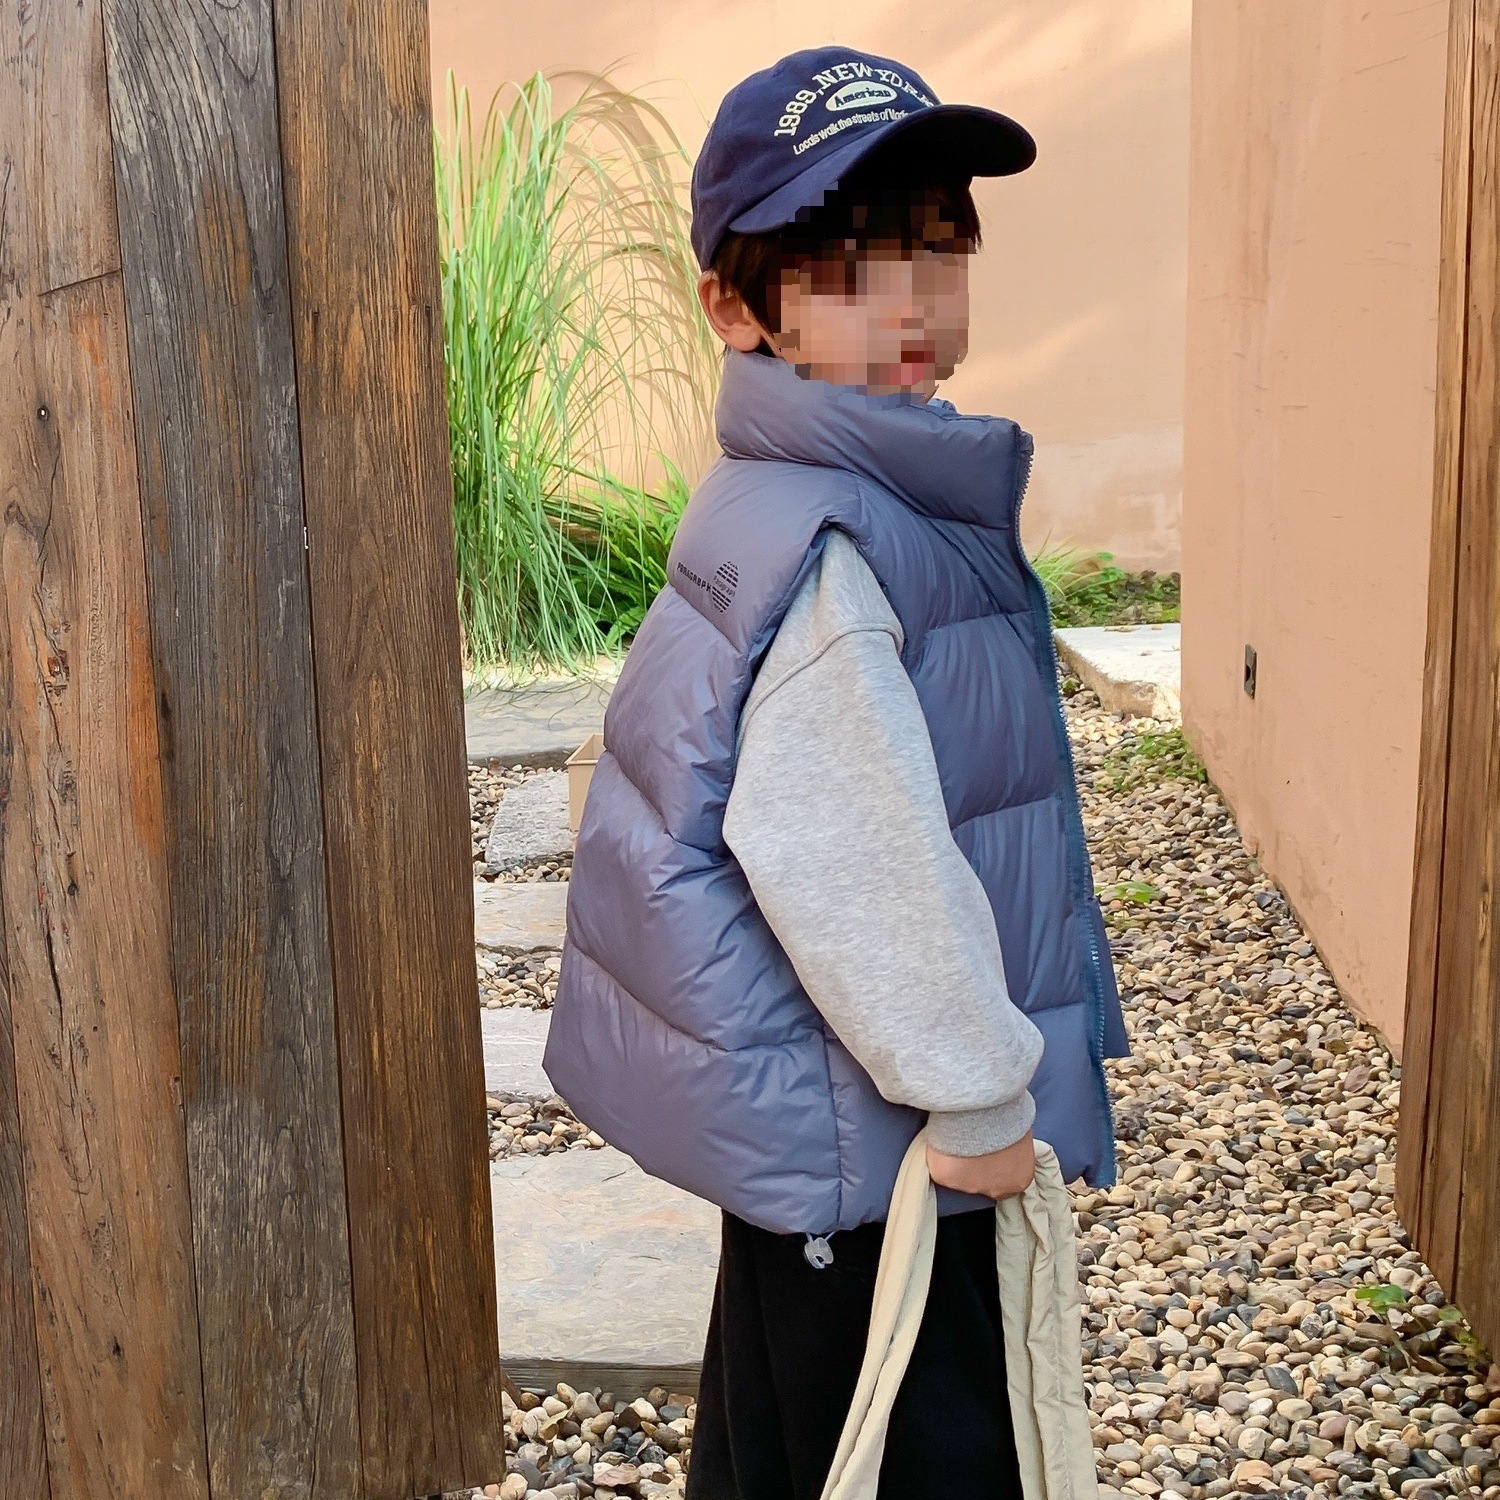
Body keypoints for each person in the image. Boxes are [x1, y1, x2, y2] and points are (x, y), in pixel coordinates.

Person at [543, 45, 1129, 1499]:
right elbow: (853, 852)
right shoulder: (835, 550)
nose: (914, 298)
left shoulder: (808, 493)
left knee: (786, 1434)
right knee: (913, 1447)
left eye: (938, 247)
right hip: (883, 1144)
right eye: (853, 265)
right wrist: (978, 1099)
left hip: (821, 1137)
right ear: (736, 307)